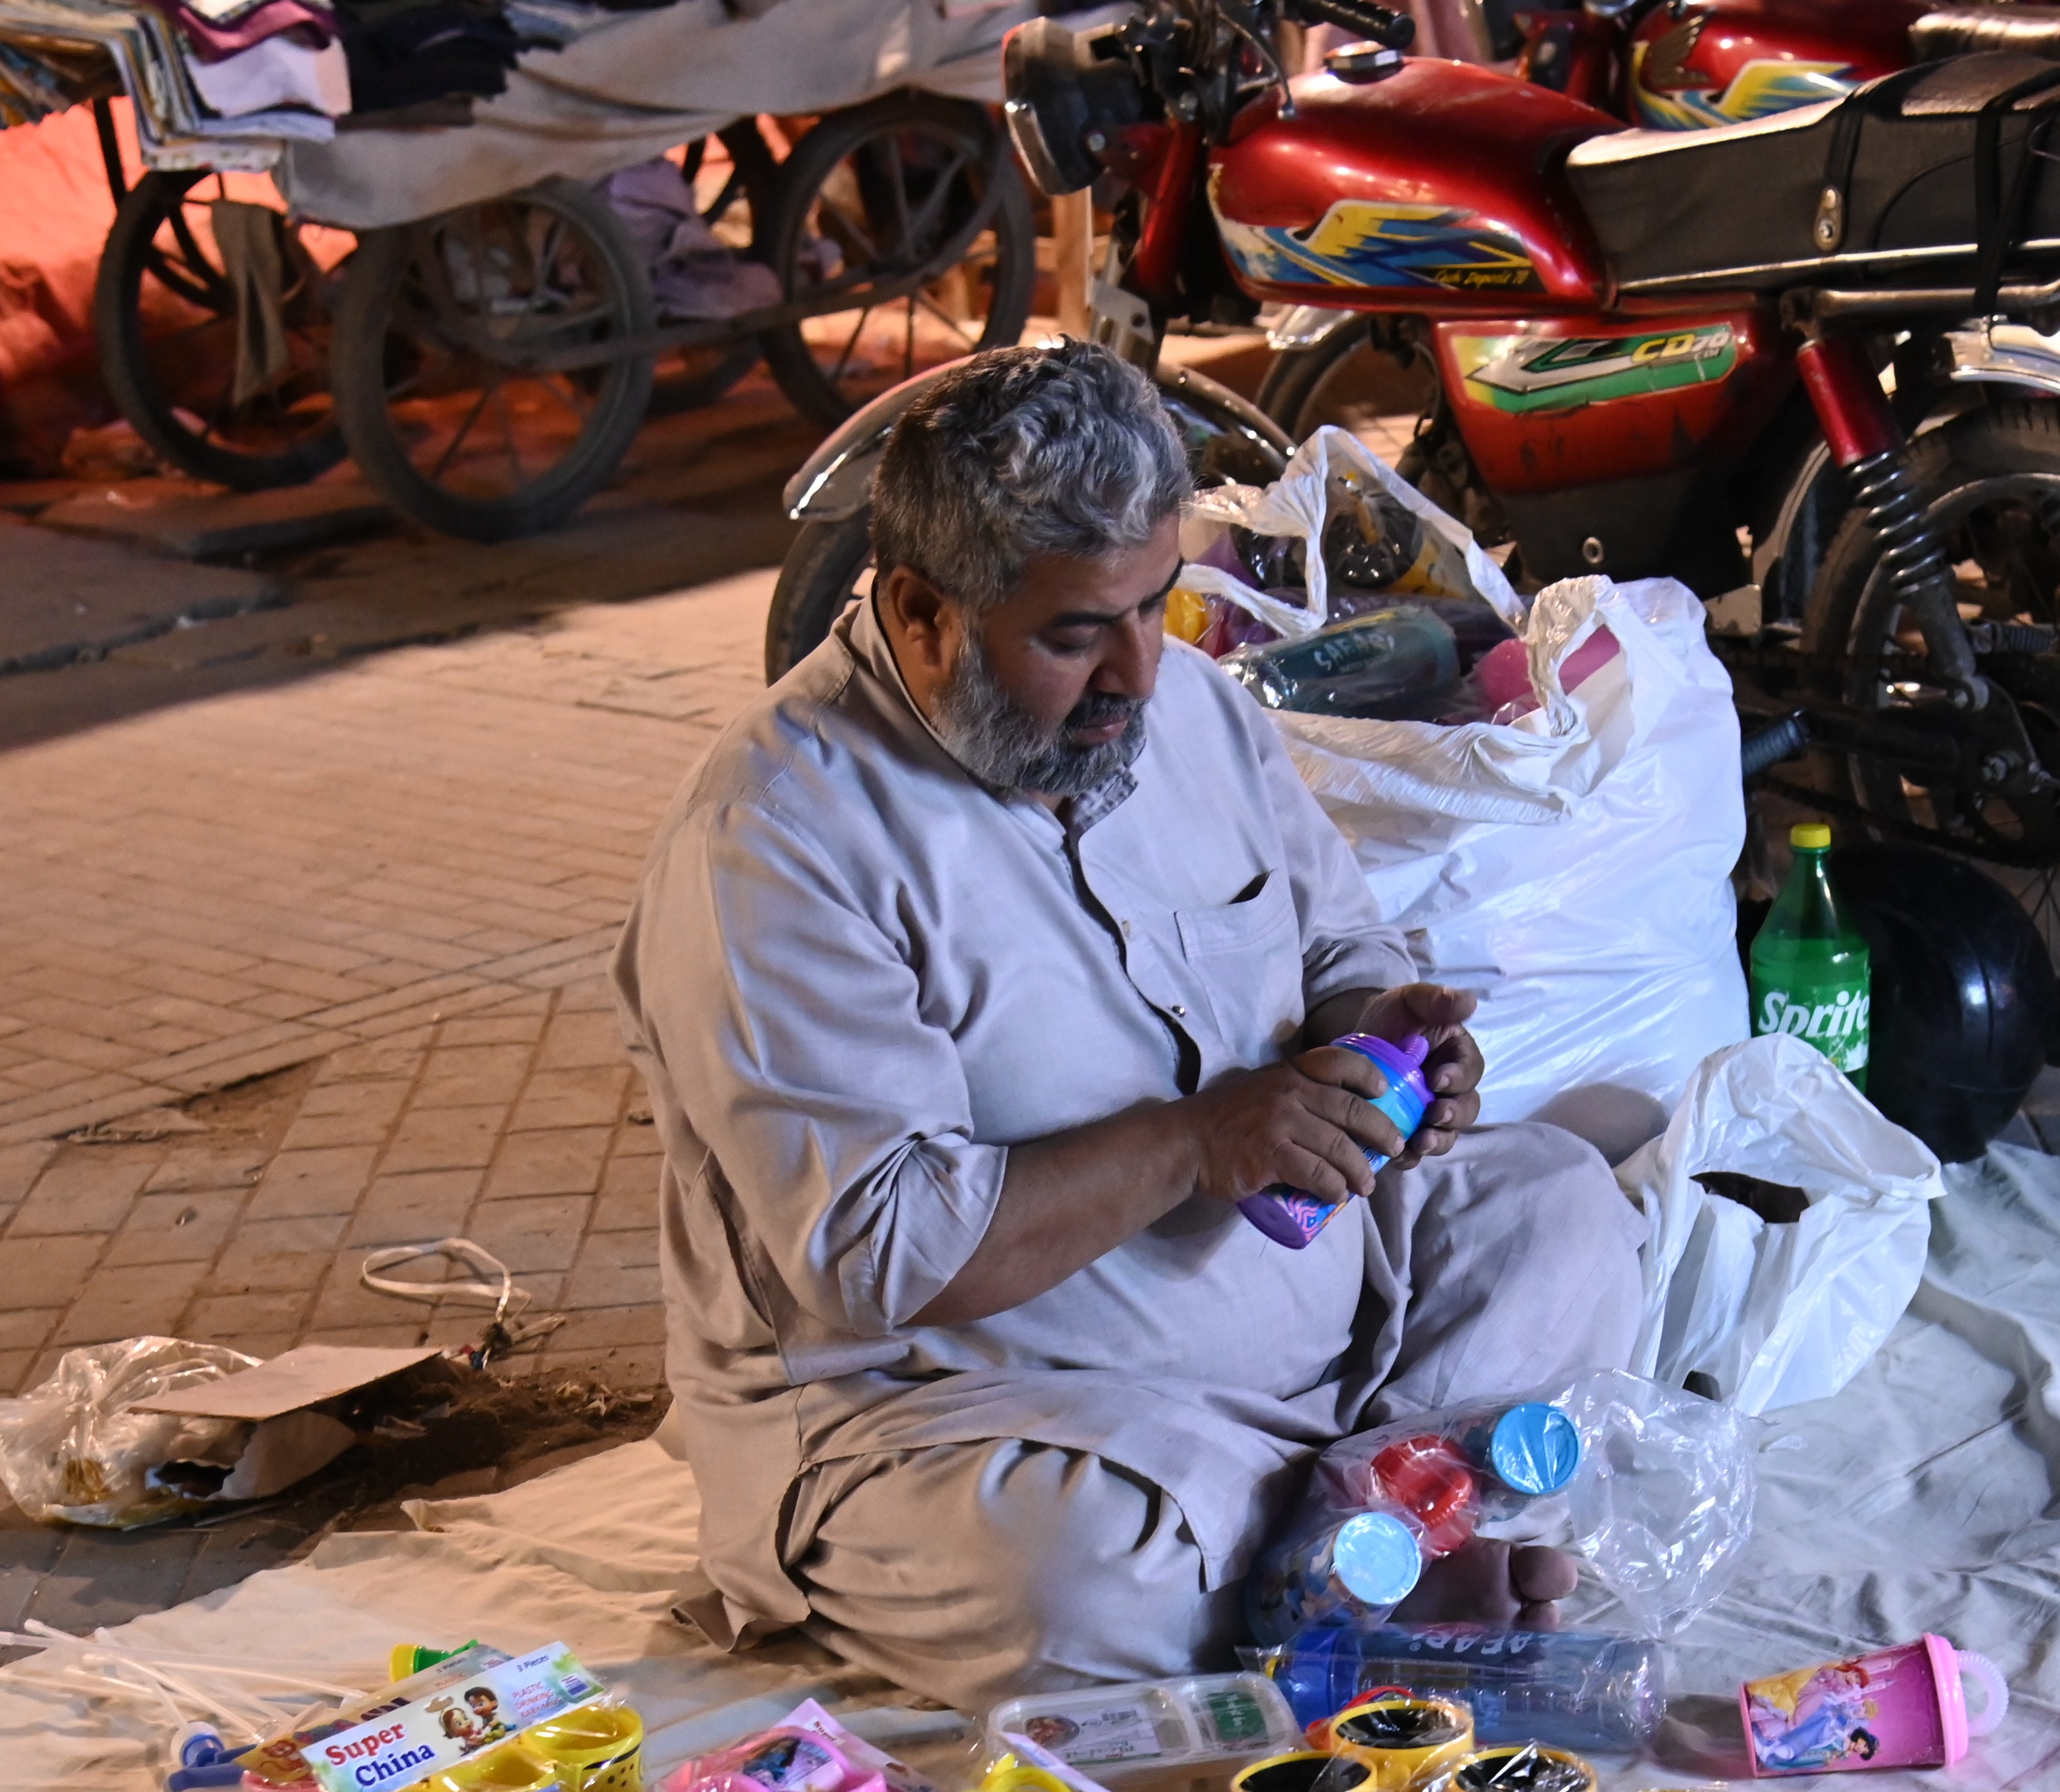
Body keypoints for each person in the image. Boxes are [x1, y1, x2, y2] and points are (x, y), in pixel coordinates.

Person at [616, 343, 1645, 1709]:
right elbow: (880, 1253)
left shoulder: (1200, 716)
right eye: (1073, 634)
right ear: (922, 613)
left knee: (1564, 1208)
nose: (1137, 675)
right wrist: (1201, 1143)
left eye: (1156, 606)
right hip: (983, 1411)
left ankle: (1358, 1533)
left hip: (1325, 1335)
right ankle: (1388, 1539)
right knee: (1087, 1573)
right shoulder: (775, 837)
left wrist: (1383, 1031)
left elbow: (1342, 938)